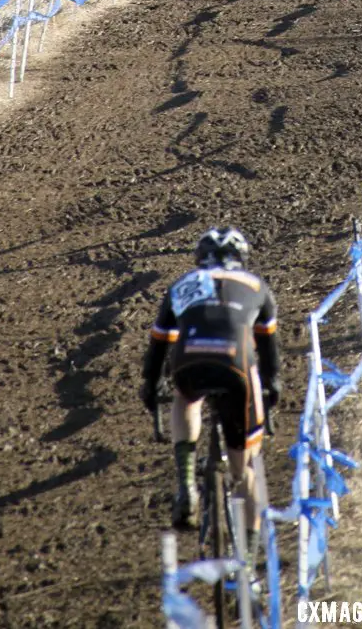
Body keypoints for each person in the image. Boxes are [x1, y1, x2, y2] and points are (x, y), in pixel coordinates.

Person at [140, 227, 281, 571]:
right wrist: (271, 392)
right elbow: (269, 359)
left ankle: (186, 483)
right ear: (242, 259)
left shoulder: (182, 285)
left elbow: (158, 345)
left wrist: (149, 384)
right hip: (236, 366)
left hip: (189, 360)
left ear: (199, 258)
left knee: (185, 399)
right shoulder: (257, 287)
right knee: (245, 470)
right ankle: (245, 565)